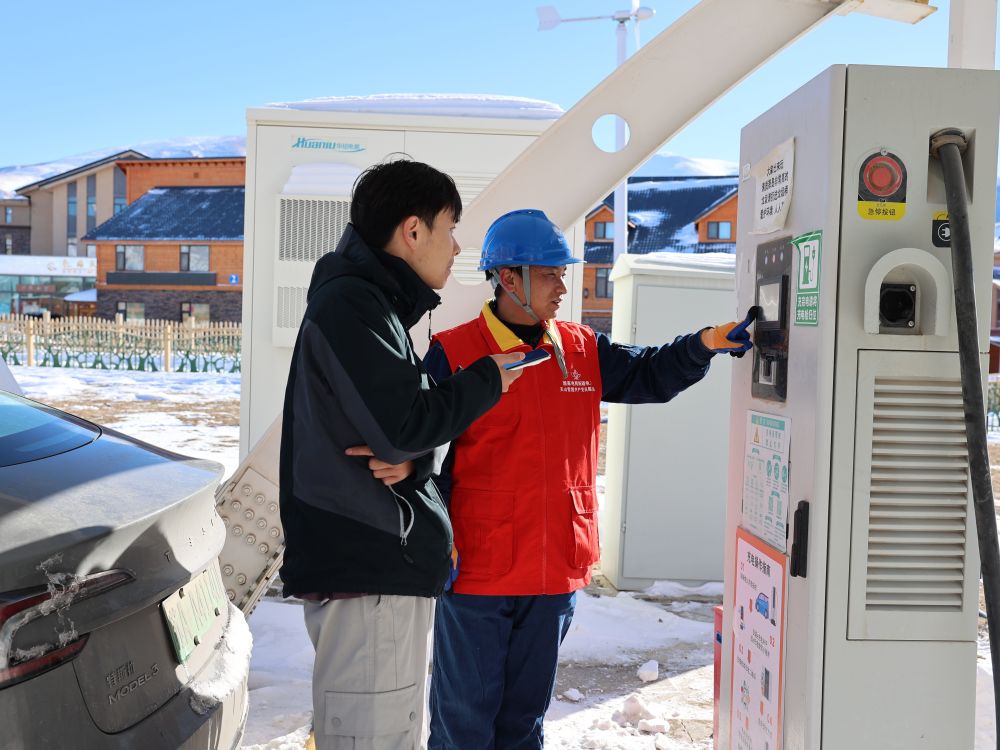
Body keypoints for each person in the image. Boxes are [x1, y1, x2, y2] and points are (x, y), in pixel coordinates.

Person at [423, 208, 756, 749]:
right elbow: (417, 452)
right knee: (463, 722)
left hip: (554, 570)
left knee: (524, 722)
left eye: (563, 272)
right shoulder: (455, 352)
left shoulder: (580, 349)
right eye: (551, 272)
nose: (564, 284)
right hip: (479, 573)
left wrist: (704, 344)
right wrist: (431, 539)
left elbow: (648, 371)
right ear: (509, 278)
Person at [278, 160, 526, 750]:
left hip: (377, 571)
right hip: (368, 569)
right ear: (413, 231)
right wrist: (486, 378)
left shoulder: (373, 305)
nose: (458, 244)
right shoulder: (353, 306)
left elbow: (397, 431)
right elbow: (402, 425)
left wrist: (417, 459)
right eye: (450, 227)